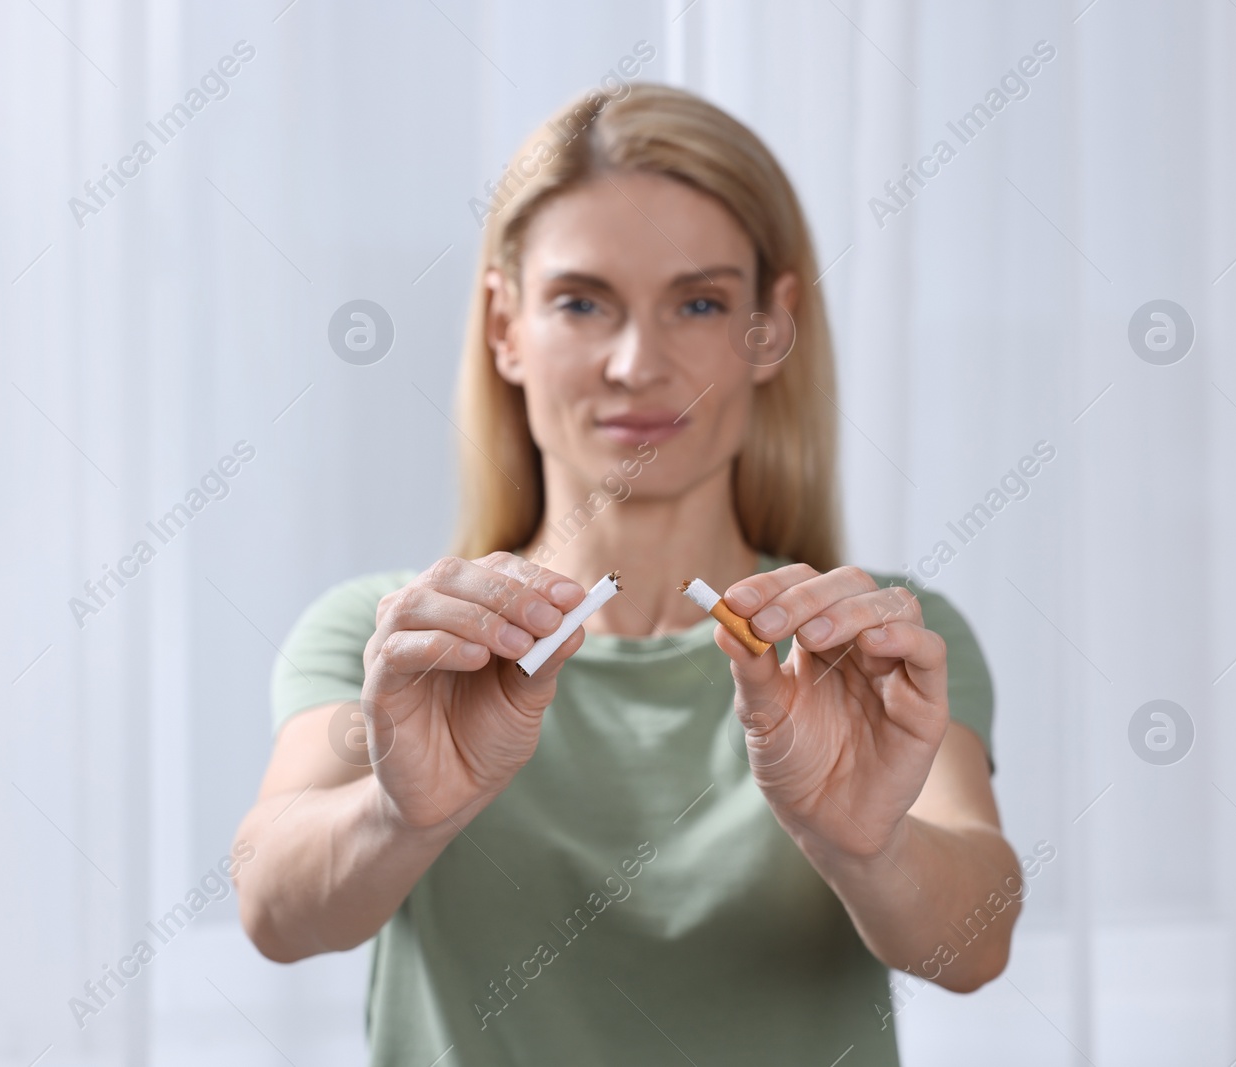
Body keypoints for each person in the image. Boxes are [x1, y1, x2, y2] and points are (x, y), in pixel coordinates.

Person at [234, 83, 1022, 1065]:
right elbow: (272, 906)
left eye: (697, 302)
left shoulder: (865, 643)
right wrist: (400, 813)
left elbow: (975, 940)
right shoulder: (396, 640)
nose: (636, 361)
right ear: (504, 327)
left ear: (768, 328)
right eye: (579, 301)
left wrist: (870, 845)